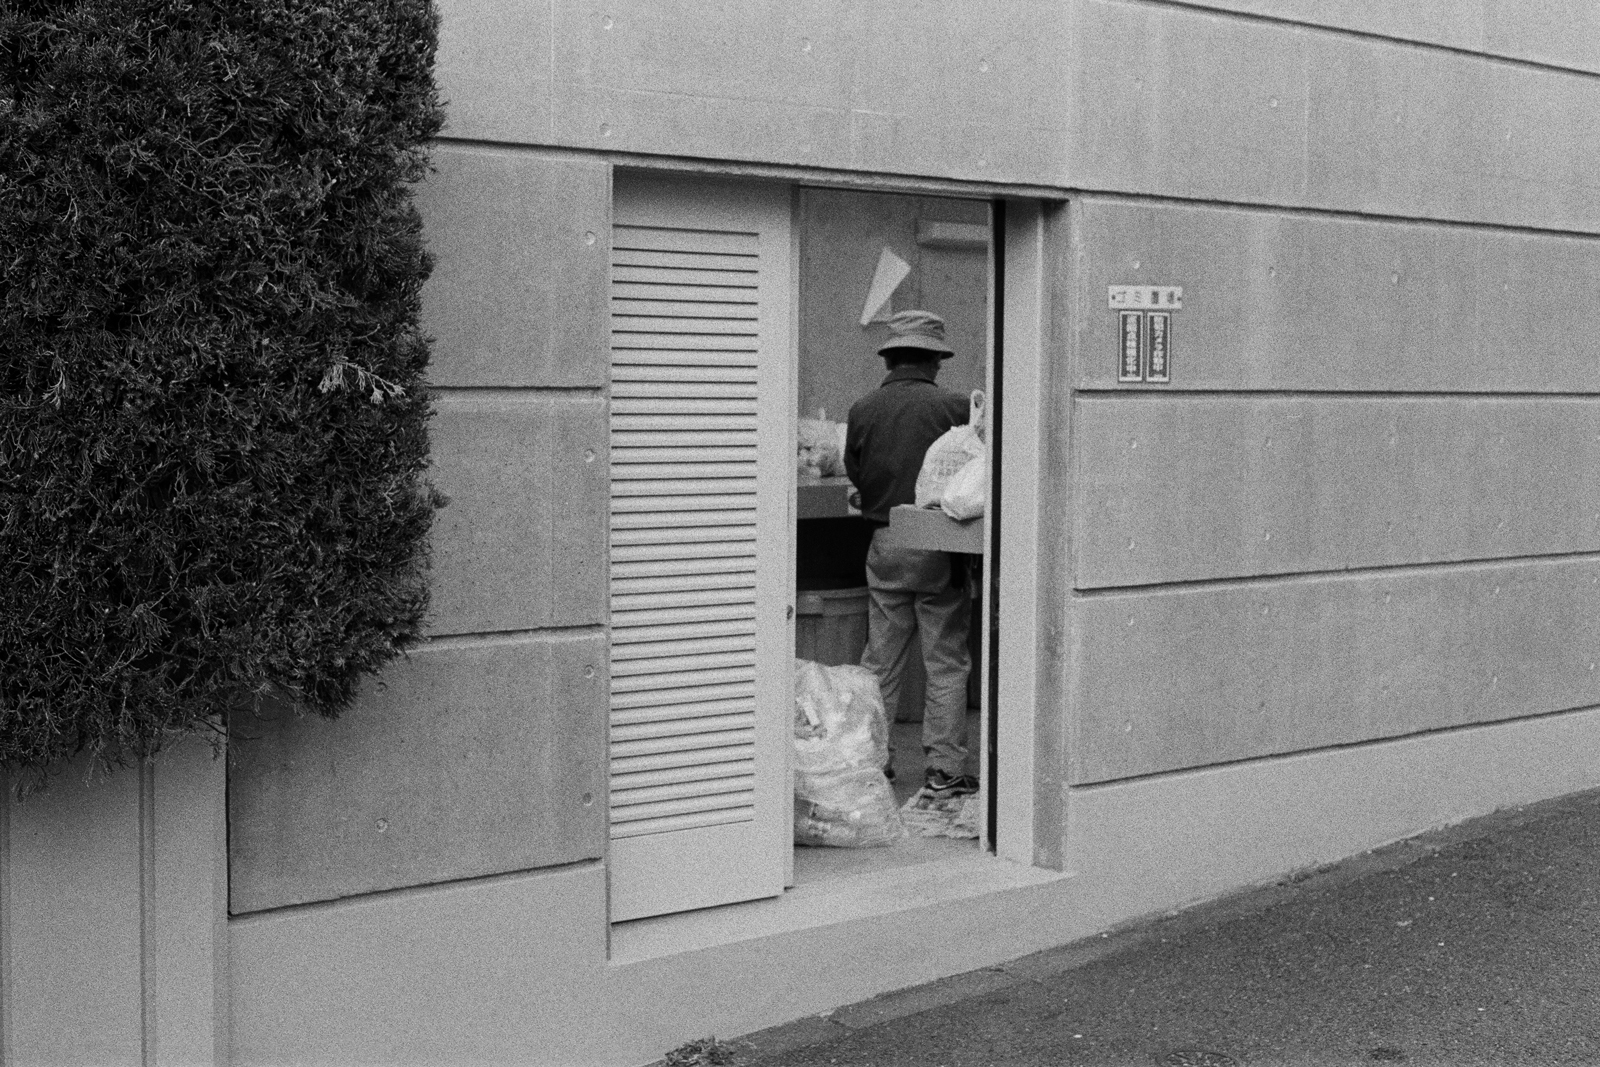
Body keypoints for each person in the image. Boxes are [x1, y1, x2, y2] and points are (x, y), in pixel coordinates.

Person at [844, 310, 977, 798]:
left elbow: (856, 476)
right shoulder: (956, 408)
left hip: (884, 540)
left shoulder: (862, 409)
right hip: (938, 542)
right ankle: (944, 771)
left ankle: (872, 762)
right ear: (935, 359)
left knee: (880, 660)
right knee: (944, 660)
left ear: (891, 357)